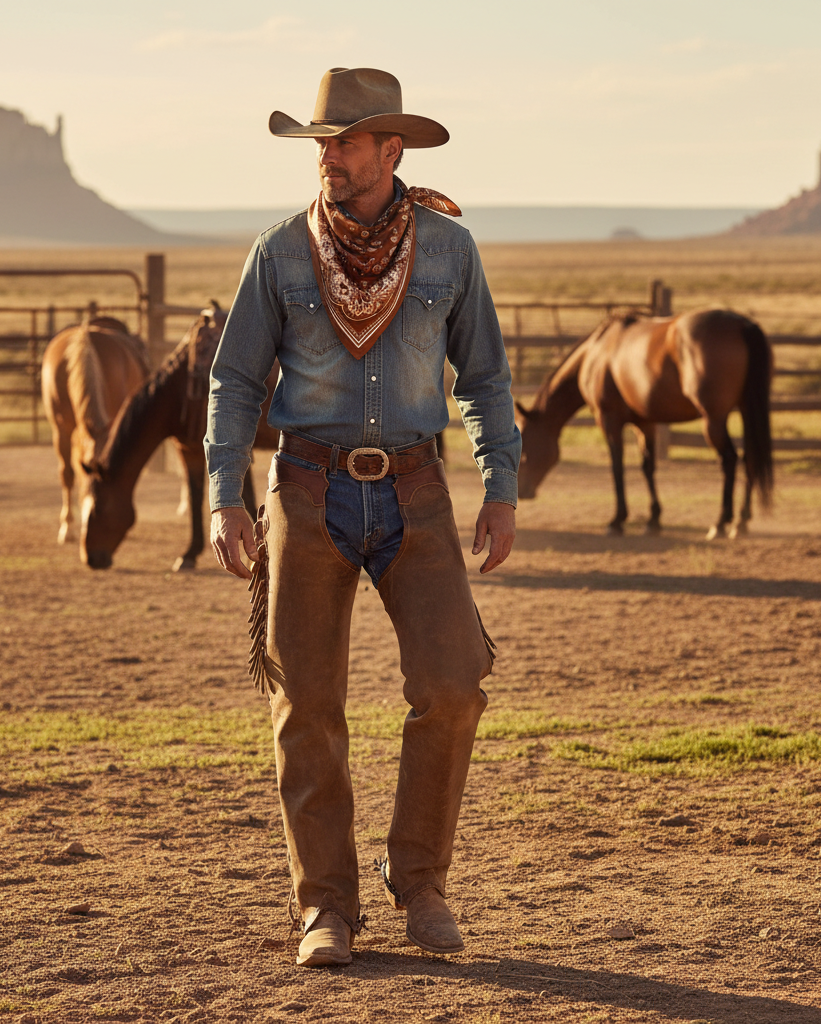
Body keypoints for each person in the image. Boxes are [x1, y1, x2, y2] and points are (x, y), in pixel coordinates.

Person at [205, 67, 521, 967]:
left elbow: (485, 378)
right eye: (321, 142)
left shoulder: (451, 251)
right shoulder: (280, 252)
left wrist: (501, 485)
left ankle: (418, 880)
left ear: (391, 148)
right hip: (307, 491)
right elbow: (235, 381)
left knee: (454, 684)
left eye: (343, 141)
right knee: (305, 703)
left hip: (416, 489)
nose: (328, 157)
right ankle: (326, 907)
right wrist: (225, 493)